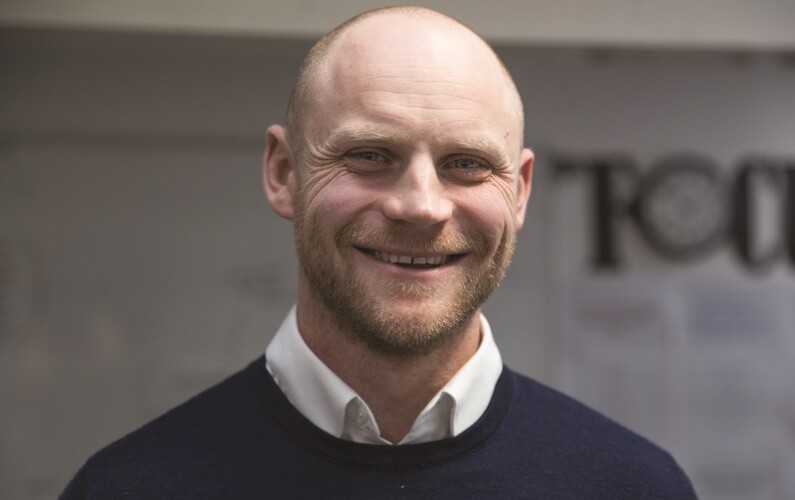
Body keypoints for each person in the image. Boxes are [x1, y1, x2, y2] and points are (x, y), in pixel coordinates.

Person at [61, 6, 697, 499]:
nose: (421, 206)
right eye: (369, 155)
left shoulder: (634, 488)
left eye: (466, 164)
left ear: (520, 192)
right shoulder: (128, 489)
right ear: (284, 173)